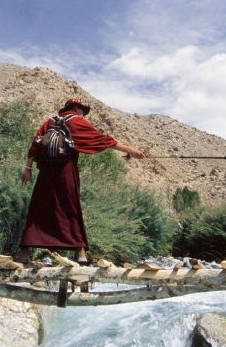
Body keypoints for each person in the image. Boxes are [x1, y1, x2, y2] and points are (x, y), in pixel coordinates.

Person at [17, 98, 145, 264]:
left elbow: (35, 144)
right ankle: (80, 252)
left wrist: (27, 169)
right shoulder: (76, 121)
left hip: (45, 173)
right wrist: (130, 150)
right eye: (83, 111)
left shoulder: (50, 121)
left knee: (39, 208)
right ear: (76, 108)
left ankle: (25, 251)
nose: (83, 115)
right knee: (70, 208)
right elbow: (102, 140)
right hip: (65, 172)